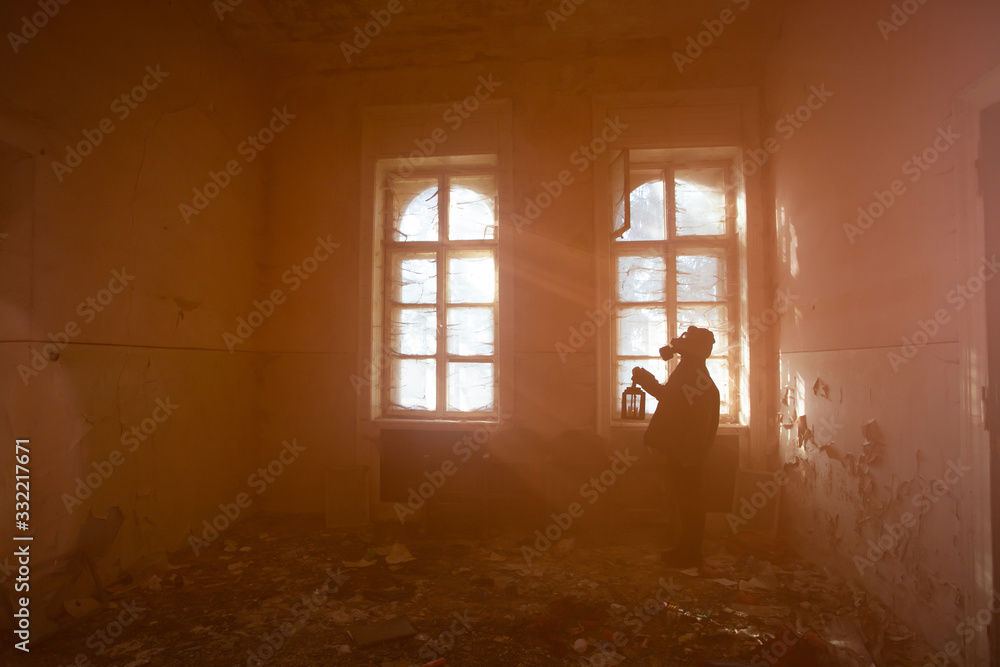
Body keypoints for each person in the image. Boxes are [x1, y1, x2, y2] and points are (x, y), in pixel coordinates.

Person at [631, 326, 720, 567]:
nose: (679, 349)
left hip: (686, 454)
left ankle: (691, 554)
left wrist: (689, 455)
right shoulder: (688, 371)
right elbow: (671, 398)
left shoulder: (697, 376)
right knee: (685, 501)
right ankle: (686, 550)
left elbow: (700, 422)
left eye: (685, 345)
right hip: (681, 451)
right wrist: (646, 380)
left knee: (690, 502)